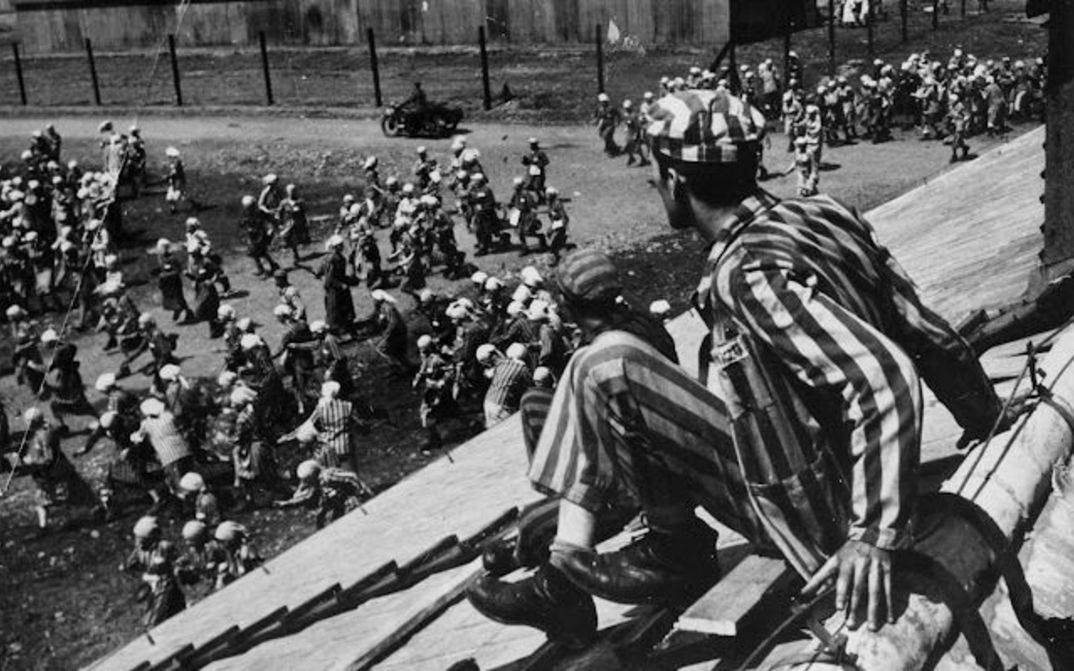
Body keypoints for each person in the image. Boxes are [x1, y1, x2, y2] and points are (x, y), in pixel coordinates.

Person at [18, 407, 102, 531]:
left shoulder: (44, 435)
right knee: (74, 491)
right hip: (59, 468)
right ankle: (96, 508)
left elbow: (49, 458)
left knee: (56, 496)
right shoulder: (46, 429)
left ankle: (46, 526)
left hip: (54, 470)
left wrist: (31, 461)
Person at [276, 459, 371, 529]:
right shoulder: (316, 484)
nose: (305, 483)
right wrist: (287, 503)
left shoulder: (328, 475)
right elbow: (305, 496)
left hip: (352, 502)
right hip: (339, 507)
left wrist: (362, 492)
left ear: (312, 475)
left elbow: (351, 477)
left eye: (306, 480)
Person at [413, 334, 459, 452]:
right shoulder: (426, 358)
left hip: (438, 391)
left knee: (427, 414)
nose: (421, 353)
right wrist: (419, 377)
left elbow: (451, 370)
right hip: (432, 389)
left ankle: (435, 439)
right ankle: (470, 423)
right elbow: (424, 369)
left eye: (423, 350)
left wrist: (442, 382)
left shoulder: (438, 358)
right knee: (452, 410)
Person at [475, 343, 532, 429]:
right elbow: (530, 389)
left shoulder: (500, 366)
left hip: (489, 402)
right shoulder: (522, 368)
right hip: (502, 407)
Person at [317, 235, 358, 335]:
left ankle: (344, 327)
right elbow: (330, 278)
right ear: (335, 247)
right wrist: (341, 284)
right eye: (340, 245)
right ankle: (335, 332)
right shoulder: (334, 259)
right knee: (334, 311)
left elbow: (321, 272)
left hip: (337, 287)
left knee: (340, 310)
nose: (342, 246)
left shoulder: (331, 258)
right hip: (334, 289)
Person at [239, 195, 279, 277]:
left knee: (261, 252)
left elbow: (270, 220)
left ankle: (271, 266)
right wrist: (246, 228)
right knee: (254, 253)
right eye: (247, 207)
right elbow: (241, 223)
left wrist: (271, 229)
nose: (248, 209)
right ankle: (261, 268)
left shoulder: (259, 212)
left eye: (250, 207)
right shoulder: (245, 213)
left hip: (260, 235)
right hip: (251, 236)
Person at [545, 187, 570, 266]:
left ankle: (557, 259)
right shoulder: (550, 203)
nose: (546, 196)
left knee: (554, 244)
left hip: (559, 226)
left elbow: (565, 218)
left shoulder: (557, 204)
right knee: (556, 242)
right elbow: (549, 211)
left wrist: (553, 227)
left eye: (548, 195)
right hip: (555, 224)